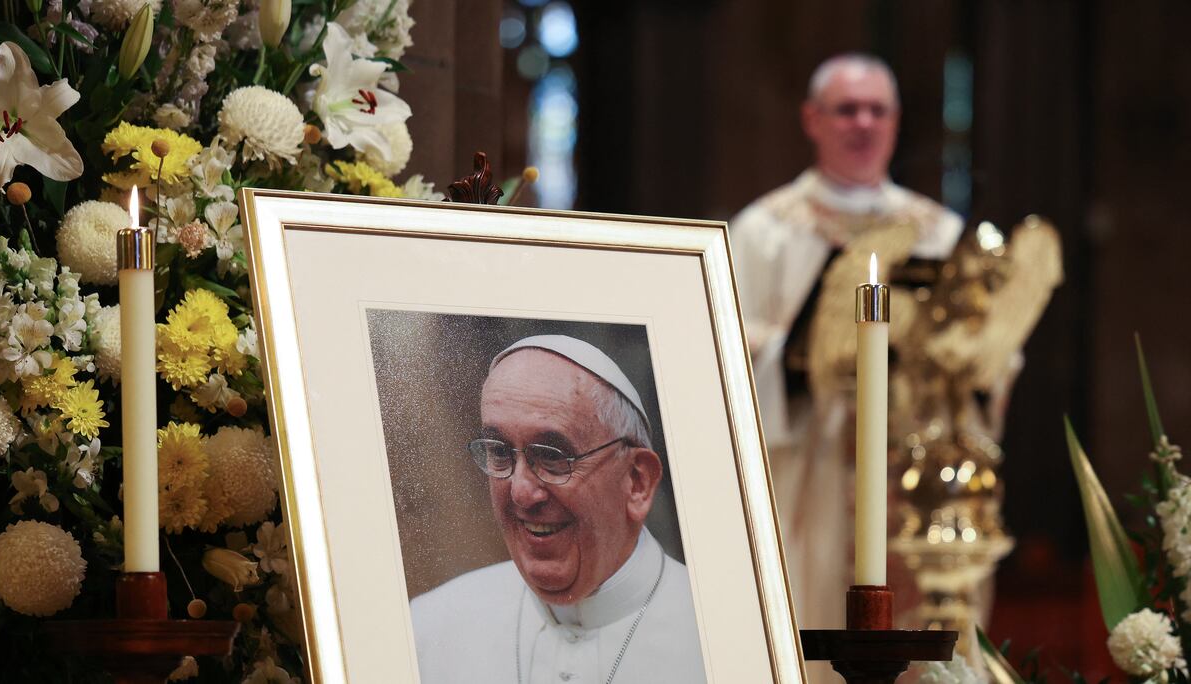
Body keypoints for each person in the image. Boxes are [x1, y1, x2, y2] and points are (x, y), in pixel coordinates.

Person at [729, 54, 962, 652]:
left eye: (877, 110)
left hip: (910, 466)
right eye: (847, 109)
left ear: (896, 121)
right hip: (810, 459)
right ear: (812, 119)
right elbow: (726, 347)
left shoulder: (938, 231)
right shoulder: (765, 230)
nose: (863, 123)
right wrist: (796, 353)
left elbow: (981, 356)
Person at [410, 335, 705, 684]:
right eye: (500, 452)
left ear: (636, 481)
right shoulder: (428, 628)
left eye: (552, 456)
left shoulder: (718, 633)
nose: (522, 492)